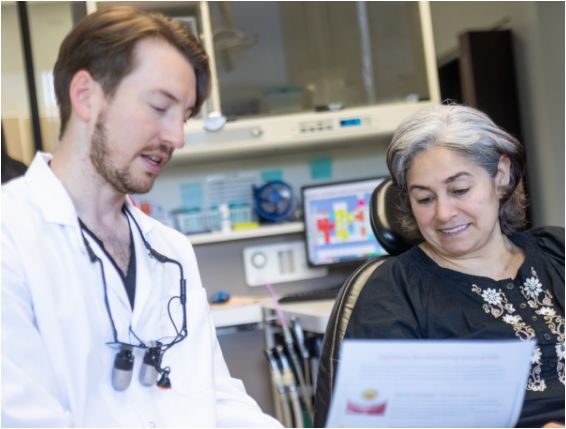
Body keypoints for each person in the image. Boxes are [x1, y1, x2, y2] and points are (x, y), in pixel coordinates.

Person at [1, 6, 281, 427]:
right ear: (86, 96)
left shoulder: (169, 250)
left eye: (184, 116)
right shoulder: (12, 234)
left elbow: (215, 397)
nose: (177, 137)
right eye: (159, 107)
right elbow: (25, 417)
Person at [320, 104, 564, 427]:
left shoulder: (557, 250)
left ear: (500, 176)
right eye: (424, 198)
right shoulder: (392, 292)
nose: (444, 213)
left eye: (459, 190)